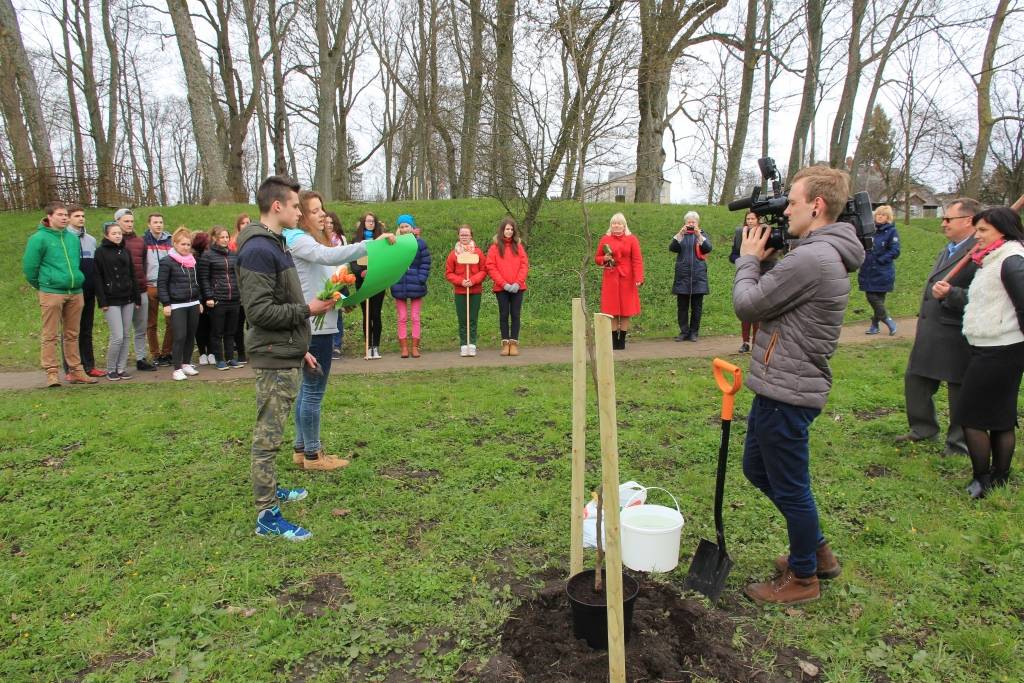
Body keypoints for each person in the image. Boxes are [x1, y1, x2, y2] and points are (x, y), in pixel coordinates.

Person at [733, 165, 865, 605]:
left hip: (787, 390)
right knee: (758, 469)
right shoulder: (817, 253)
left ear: (817, 205)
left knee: (791, 487)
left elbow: (748, 304)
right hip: (781, 385)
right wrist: (768, 262)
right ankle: (817, 550)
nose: (785, 210)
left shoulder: (812, 258)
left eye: (792, 201)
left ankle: (804, 576)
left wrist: (750, 260)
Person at [236, 175, 336, 541]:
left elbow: (278, 303)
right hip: (271, 356)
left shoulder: (274, 244)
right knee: (268, 434)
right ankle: (267, 514)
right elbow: (260, 312)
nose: (301, 211)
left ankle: (270, 487)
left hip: (285, 351)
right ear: (277, 206)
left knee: (273, 430)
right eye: (296, 205)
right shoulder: (259, 250)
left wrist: (302, 348)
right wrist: (309, 310)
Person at [284, 190, 381, 471]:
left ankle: (302, 449)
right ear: (301, 215)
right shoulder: (299, 240)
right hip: (315, 327)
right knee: (314, 390)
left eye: (321, 209)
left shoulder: (307, 240)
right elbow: (329, 256)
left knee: (307, 389)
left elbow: (326, 271)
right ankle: (314, 455)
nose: (322, 214)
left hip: (320, 322)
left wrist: (340, 295)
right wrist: (369, 245)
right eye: (314, 211)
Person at [933, 207, 1024, 498]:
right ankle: (999, 478)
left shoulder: (1011, 260)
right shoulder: (993, 258)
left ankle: (982, 479)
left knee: (970, 416)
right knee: (1000, 417)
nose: (978, 235)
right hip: (990, 346)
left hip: (1001, 349)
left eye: (983, 230)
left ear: (1004, 230)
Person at [896, 197, 983, 454]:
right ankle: (923, 429)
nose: (943, 223)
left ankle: (958, 443)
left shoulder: (980, 252)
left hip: (957, 331)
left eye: (948, 219)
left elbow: (985, 297)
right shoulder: (951, 248)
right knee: (916, 380)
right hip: (932, 330)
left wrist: (952, 294)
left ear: (968, 220)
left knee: (959, 391)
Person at [22, 201, 97, 386]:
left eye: (65, 215)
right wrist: (44, 284)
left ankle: (76, 370)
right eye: (60, 215)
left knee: (72, 333)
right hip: (51, 291)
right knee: (50, 334)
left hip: (75, 291)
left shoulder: (72, 239)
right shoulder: (38, 238)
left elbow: (76, 264)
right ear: (49, 216)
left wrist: (76, 280)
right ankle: (51, 372)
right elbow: (30, 268)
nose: (64, 218)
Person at [94, 222, 141, 381]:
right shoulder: (100, 252)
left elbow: (132, 274)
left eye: (119, 233)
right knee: (117, 336)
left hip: (127, 297)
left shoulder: (125, 250)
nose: (118, 236)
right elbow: (98, 277)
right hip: (111, 299)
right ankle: (111, 368)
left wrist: (136, 296)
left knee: (127, 334)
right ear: (107, 235)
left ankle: (121, 368)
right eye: (114, 233)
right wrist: (102, 300)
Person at [114, 208, 156, 372]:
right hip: (121, 293)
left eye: (131, 221)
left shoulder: (140, 242)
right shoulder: (113, 242)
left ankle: (141, 358)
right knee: (122, 330)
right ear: (117, 221)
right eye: (126, 221)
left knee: (141, 327)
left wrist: (143, 281)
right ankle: (118, 362)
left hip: (141, 290)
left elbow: (145, 265)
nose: (129, 224)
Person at [158, 227, 202, 381]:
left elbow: (197, 282)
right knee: (180, 336)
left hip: (193, 303)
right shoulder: (167, 262)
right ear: (175, 244)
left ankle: (186, 363)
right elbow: (162, 284)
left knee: (191, 335)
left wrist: (199, 300)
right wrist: (166, 303)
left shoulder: (192, 261)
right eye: (182, 244)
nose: (186, 247)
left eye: (188, 244)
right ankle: (176, 368)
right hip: (177, 305)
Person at [595, 212, 644, 350]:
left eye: (619, 223)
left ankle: (621, 341)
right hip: (610, 278)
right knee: (612, 311)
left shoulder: (632, 239)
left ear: (624, 225)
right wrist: (603, 259)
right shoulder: (605, 238)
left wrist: (639, 278)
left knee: (625, 311)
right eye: (614, 223)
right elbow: (597, 258)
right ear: (611, 225)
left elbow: (637, 260)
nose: (616, 225)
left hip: (627, 279)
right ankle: (613, 342)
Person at [729, 211, 776, 352]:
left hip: (765, 272)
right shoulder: (741, 234)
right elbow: (733, 255)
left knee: (758, 309)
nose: (750, 221)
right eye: (747, 219)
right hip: (747, 273)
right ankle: (745, 342)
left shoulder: (767, 233)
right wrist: (744, 259)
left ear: (758, 219)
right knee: (746, 308)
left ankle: (757, 341)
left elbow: (775, 249)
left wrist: (761, 257)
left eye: (752, 218)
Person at [66, 206, 104, 377]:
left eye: (83, 216)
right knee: (71, 331)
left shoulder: (91, 240)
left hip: (89, 290)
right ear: (68, 218)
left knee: (86, 329)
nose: (81, 219)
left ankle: (89, 366)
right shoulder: (64, 238)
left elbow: (94, 266)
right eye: (77, 216)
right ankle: (70, 368)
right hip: (72, 290)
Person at [198, 226, 244, 370]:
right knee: (217, 332)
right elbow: (204, 278)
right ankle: (220, 359)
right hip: (218, 299)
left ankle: (230, 358)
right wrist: (209, 296)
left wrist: (239, 292)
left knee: (231, 331)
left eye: (226, 237)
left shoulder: (233, 254)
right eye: (222, 237)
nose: (225, 240)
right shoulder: (207, 255)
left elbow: (237, 275)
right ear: (215, 239)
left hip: (234, 298)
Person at [485, 216, 529, 356]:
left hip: (518, 287)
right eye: (506, 229)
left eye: (511, 229)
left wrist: (517, 282)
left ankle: (514, 344)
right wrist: (503, 284)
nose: (509, 231)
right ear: (502, 230)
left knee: (515, 314)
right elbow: (490, 266)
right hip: (501, 288)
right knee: (504, 315)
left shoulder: (519, 247)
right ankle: (505, 344)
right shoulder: (494, 248)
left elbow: (524, 265)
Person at [391, 213, 432, 359]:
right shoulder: (395, 243)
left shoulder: (420, 244)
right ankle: (404, 348)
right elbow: (391, 263)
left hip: (416, 284)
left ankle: (415, 347)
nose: (404, 229)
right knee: (402, 317)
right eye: (401, 226)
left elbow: (425, 262)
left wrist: (421, 278)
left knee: (415, 317)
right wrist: (393, 278)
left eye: (406, 226)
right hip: (399, 284)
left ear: (412, 227)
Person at [669, 210, 712, 342]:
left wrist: (699, 235)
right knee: (682, 307)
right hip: (683, 276)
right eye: (689, 222)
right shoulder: (681, 236)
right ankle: (684, 332)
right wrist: (680, 233)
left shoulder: (702, 235)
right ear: (685, 223)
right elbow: (672, 247)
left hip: (698, 277)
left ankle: (694, 332)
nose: (691, 224)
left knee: (696, 307)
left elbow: (708, 248)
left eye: (693, 222)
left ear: (698, 223)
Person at [445, 224, 487, 356]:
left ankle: (472, 343)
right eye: (462, 234)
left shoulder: (478, 252)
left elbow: (484, 270)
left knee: (473, 318)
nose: (464, 237)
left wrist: (473, 280)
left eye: (466, 234)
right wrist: (461, 281)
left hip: (475, 291)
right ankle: (464, 344)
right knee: (463, 319)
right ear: (458, 236)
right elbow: (449, 273)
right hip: (460, 292)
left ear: (471, 236)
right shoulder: (453, 254)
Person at [859, 205, 901, 335]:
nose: (879, 217)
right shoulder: (870, 231)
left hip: (883, 271)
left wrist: (881, 260)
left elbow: (895, 250)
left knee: (877, 298)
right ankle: (876, 325)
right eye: (878, 215)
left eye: (883, 215)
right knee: (872, 296)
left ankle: (884, 320)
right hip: (868, 270)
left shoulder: (892, 232)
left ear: (888, 218)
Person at [350, 213, 387, 359]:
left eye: (373, 221)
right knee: (366, 314)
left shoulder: (381, 240)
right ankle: (368, 345)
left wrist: (376, 271)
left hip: (378, 281)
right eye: (368, 221)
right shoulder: (357, 240)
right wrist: (361, 272)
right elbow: (352, 260)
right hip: (362, 281)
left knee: (376, 314)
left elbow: (385, 259)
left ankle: (375, 347)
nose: (370, 223)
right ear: (363, 223)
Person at [143, 213, 174, 366]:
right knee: (151, 323)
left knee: (172, 321)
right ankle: (155, 354)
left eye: (161, 222)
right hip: (150, 286)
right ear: (149, 224)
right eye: (155, 222)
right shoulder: (143, 241)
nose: (158, 225)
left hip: (167, 286)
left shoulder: (170, 241)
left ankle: (167, 352)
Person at [324, 210, 347, 358]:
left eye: (332, 222)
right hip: (324, 280)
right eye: (327, 222)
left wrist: (340, 276)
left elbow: (345, 258)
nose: (329, 225)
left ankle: (337, 345)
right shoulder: (318, 239)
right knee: (325, 311)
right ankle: (327, 344)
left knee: (337, 312)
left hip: (339, 279)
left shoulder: (341, 239)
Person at [191, 230, 214, 364]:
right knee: (199, 326)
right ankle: (202, 353)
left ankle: (211, 352)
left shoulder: (209, 257)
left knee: (210, 325)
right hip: (197, 297)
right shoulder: (192, 259)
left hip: (209, 296)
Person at [230, 213, 250, 363]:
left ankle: (253, 349)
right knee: (238, 323)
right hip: (237, 288)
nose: (246, 225)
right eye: (243, 223)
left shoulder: (255, 240)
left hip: (252, 287)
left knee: (253, 323)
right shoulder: (232, 243)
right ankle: (241, 352)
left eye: (248, 222)